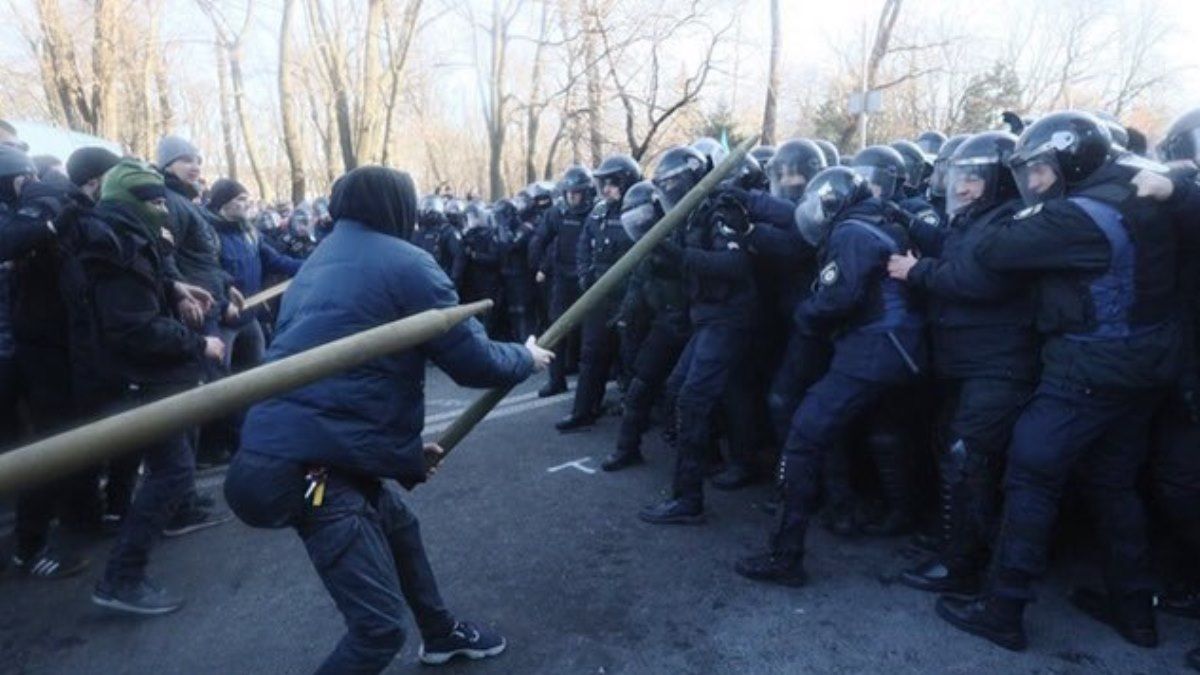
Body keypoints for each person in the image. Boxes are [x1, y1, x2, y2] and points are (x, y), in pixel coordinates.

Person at [225, 166, 552, 672]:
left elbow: (342, 386)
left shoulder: (316, 263)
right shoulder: (408, 264)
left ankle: (440, 633)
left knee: (399, 526)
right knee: (378, 631)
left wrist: (398, 456)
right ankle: (426, 632)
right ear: (397, 207)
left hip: (281, 455)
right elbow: (473, 362)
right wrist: (525, 359)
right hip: (310, 472)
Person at [937, 111, 1181, 652]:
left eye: (1042, 170)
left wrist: (1024, 210)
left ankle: (1002, 608)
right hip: (1145, 367)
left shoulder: (1078, 215)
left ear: (1071, 160)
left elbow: (993, 250)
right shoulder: (1134, 188)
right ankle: (1135, 610)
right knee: (1113, 484)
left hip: (1088, 369)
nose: (1036, 183)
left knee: (1031, 476)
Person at [736, 166, 925, 584]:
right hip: (901, 350)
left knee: (803, 436)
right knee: (881, 435)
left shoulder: (850, 234)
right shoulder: (881, 221)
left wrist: (805, 312)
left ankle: (786, 556)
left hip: (873, 350)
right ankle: (868, 514)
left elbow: (838, 296)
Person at [63, 159, 227, 613]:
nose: (162, 207)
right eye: (153, 200)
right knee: (171, 470)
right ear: (128, 202)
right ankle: (121, 578)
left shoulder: (124, 236)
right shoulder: (110, 249)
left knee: (168, 469)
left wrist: (175, 287)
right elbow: (132, 329)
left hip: (144, 376)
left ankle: (143, 550)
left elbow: (146, 282)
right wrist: (198, 342)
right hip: (134, 379)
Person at [886, 132, 1038, 594]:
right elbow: (954, 248)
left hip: (998, 365)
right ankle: (955, 541)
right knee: (950, 449)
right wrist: (901, 217)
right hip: (970, 363)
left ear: (999, 182)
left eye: (976, 179)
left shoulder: (1011, 223)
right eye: (960, 178)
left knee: (968, 459)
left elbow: (981, 279)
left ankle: (962, 566)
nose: (964, 188)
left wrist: (918, 272)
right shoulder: (978, 220)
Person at [639, 146, 761, 523]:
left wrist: (679, 257)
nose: (670, 188)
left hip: (727, 319)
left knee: (692, 400)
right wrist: (663, 257)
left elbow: (735, 263)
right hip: (709, 318)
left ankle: (688, 500)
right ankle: (708, 465)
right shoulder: (693, 212)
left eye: (674, 181)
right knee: (680, 389)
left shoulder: (719, 208)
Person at [0, 144, 91, 578]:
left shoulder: (32, 217)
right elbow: (15, 239)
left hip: (27, 354)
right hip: (17, 357)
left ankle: (32, 543)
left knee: (44, 448)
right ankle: (28, 550)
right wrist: (47, 210)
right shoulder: (21, 220)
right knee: (39, 452)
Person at [602, 180, 690, 471]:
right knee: (641, 385)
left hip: (693, 325)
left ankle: (707, 457)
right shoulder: (647, 246)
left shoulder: (683, 231)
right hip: (666, 323)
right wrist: (624, 314)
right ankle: (627, 448)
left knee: (692, 395)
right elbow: (637, 286)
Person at [555, 154, 640, 431]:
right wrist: (584, 275)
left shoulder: (640, 209)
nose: (605, 189)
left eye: (612, 183)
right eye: (603, 183)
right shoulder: (599, 211)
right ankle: (584, 409)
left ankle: (634, 412)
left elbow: (646, 258)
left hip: (629, 296)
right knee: (591, 354)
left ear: (627, 182)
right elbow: (583, 244)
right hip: (600, 294)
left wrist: (632, 298)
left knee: (632, 357)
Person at [529, 165, 594, 397]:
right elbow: (541, 239)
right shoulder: (557, 213)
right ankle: (556, 380)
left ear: (586, 193)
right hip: (563, 278)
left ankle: (588, 392)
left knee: (590, 337)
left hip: (588, 280)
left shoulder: (595, 213)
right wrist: (539, 264)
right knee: (556, 329)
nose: (571, 197)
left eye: (576, 193)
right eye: (568, 193)